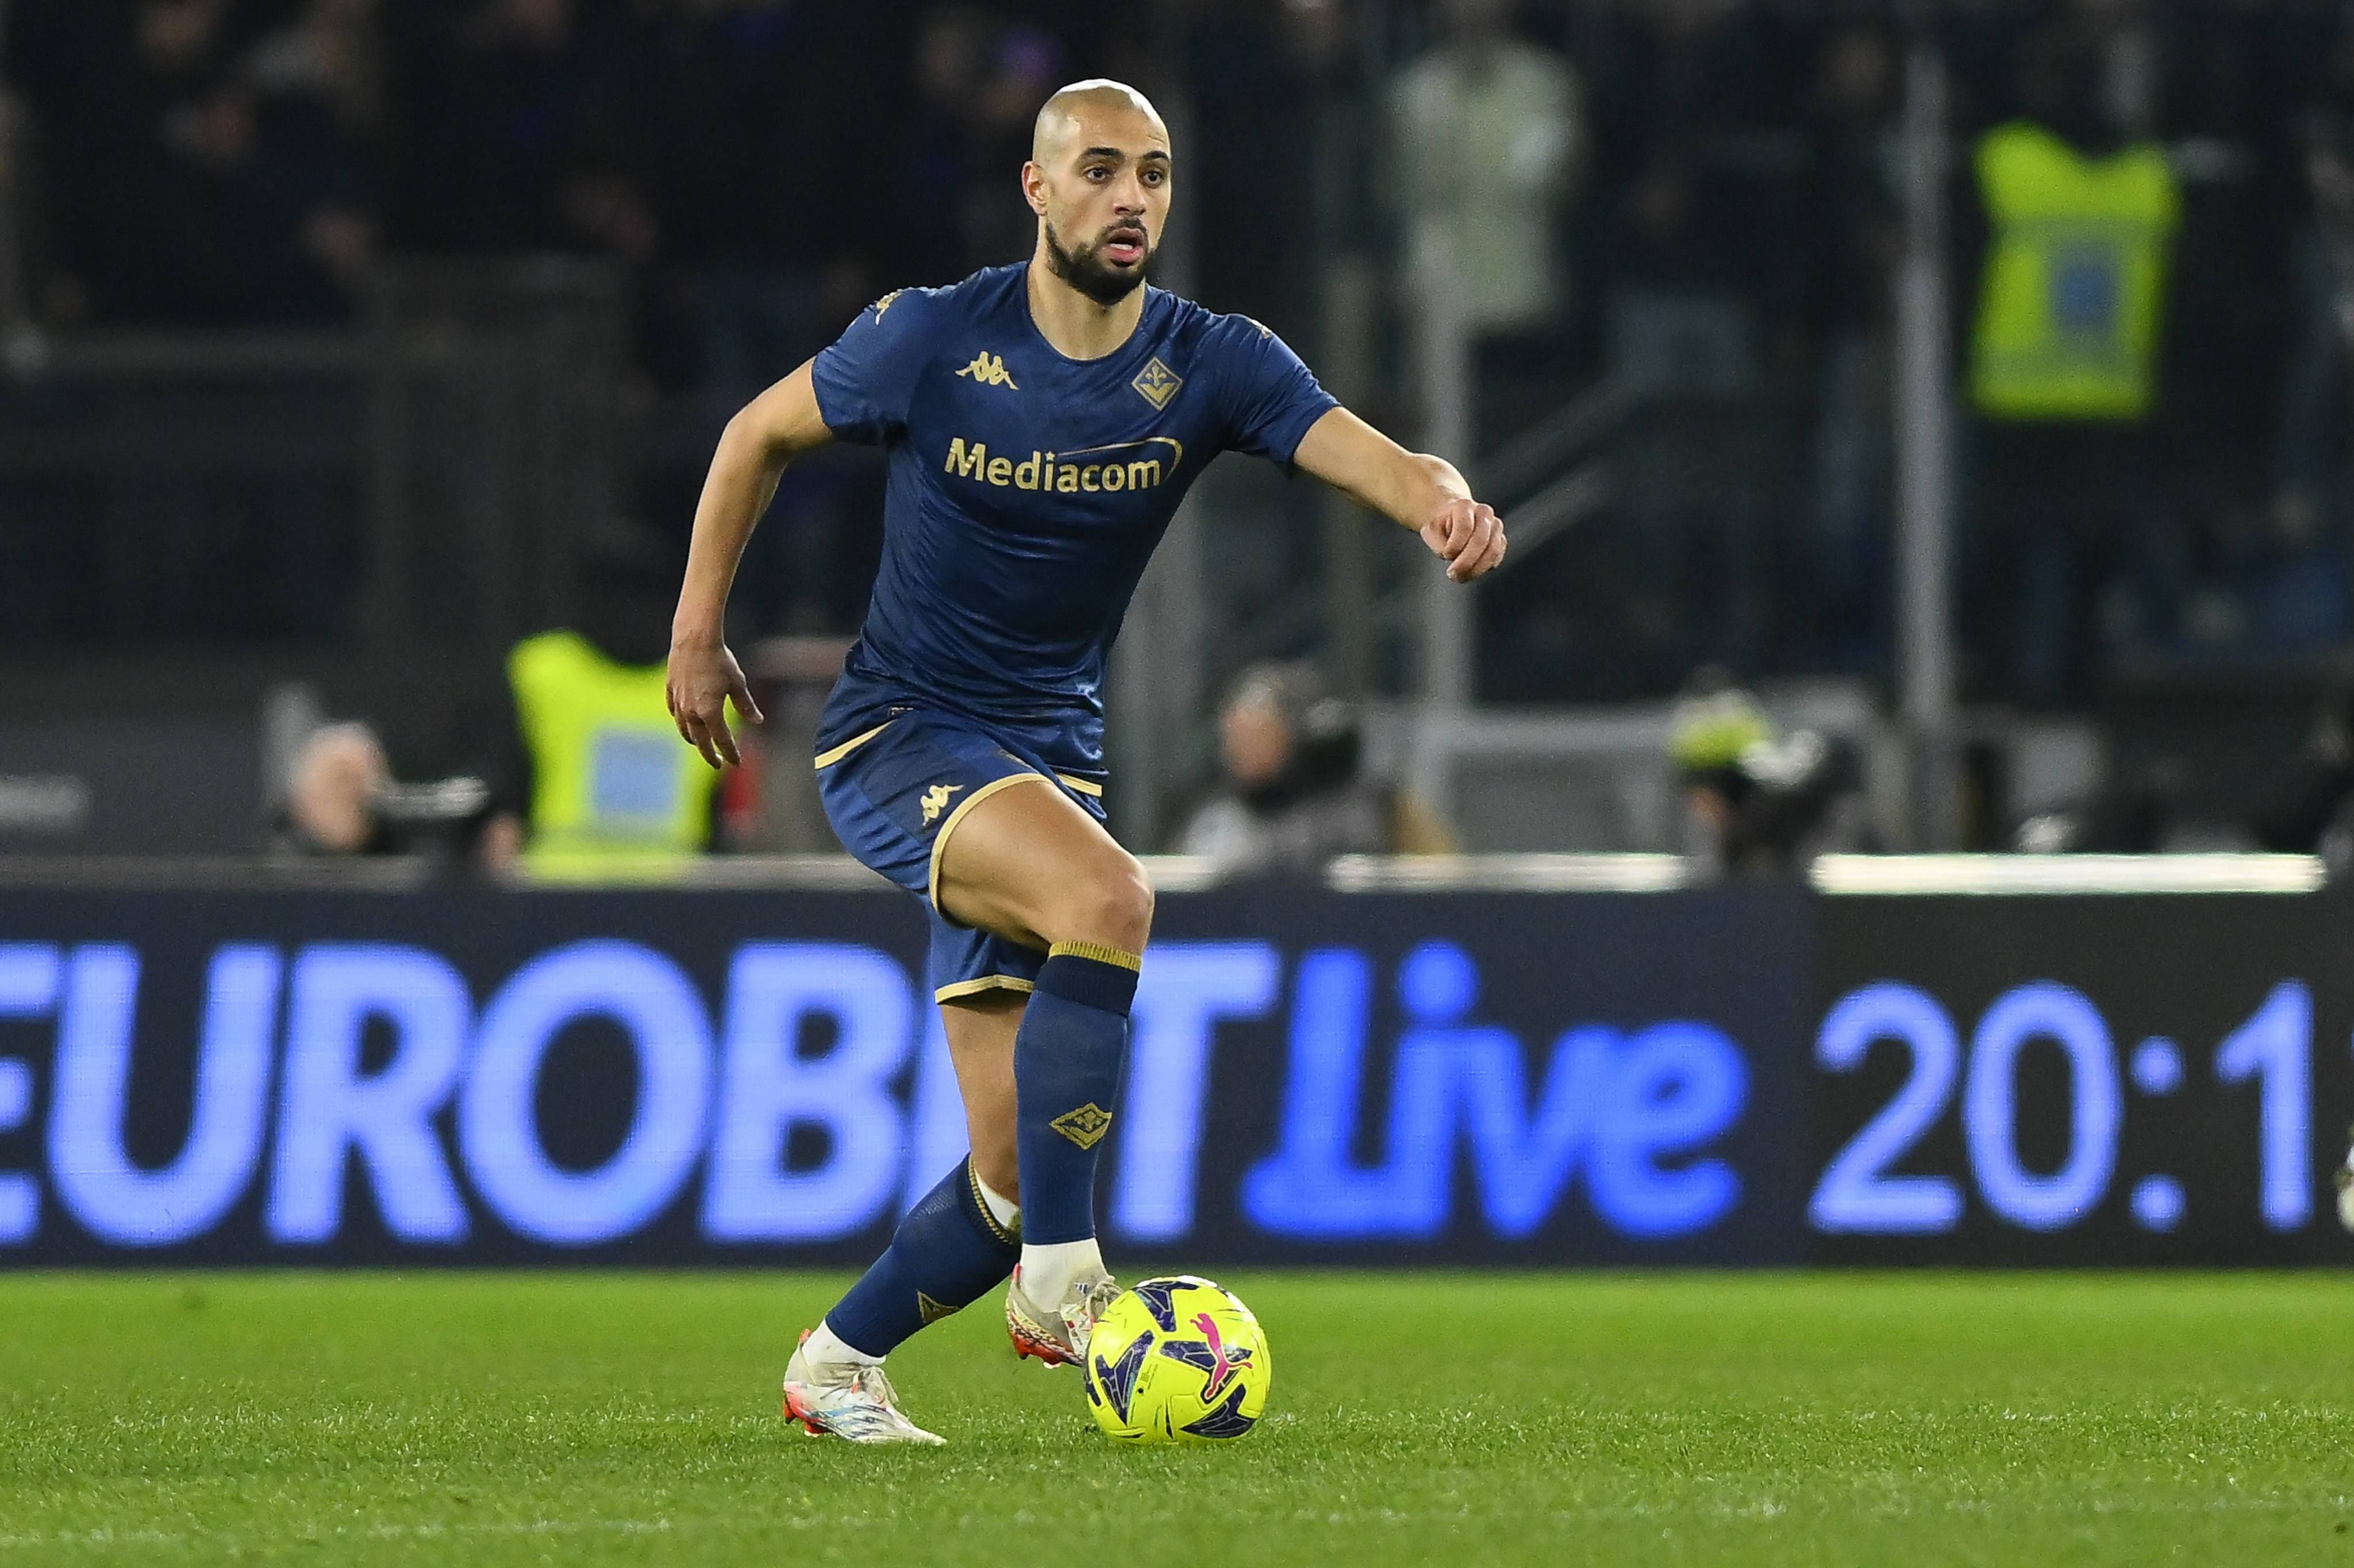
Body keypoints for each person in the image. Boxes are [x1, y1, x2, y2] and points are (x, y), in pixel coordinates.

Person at [665, 79, 1506, 1444]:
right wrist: (699, 623)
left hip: (1048, 759)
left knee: (1008, 1174)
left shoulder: (1214, 358)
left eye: (1155, 176)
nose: (1132, 200)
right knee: (1110, 902)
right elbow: (753, 432)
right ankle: (1072, 1280)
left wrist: (1447, 501)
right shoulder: (933, 337)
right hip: (902, 736)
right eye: (1102, 172)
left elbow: (1387, 459)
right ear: (1039, 190)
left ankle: (836, 1361)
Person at [1178, 661, 1455, 875]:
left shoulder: (1374, 805)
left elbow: (1443, 878)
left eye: (1261, 735)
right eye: (1236, 737)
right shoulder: (1216, 822)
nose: (1243, 749)